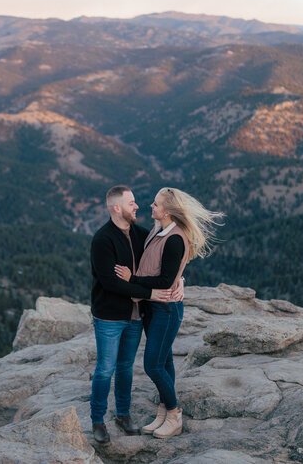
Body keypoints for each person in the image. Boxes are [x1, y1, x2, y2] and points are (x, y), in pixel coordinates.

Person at [115, 187, 223, 439]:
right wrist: (180, 278)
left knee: (152, 365)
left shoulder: (175, 238)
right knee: (164, 361)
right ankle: (164, 411)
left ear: (168, 211)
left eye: (156, 204)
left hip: (166, 308)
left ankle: (174, 415)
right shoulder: (158, 231)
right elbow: (168, 271)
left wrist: (134, 278)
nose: (151, 206)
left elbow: (164, 280)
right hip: (154, 307)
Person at [89, 185, 171, 444]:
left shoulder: (141, 234)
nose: (137, 206)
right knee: (105, 369)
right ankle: (98, 420)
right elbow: (112, 283)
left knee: (125, 368)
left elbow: (166, 250)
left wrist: (177, 276)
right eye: (131, 202)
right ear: (116, 208)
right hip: (110, 317)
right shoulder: (103, 240)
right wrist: (151, 294)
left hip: (136, 316)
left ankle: (123, 415)